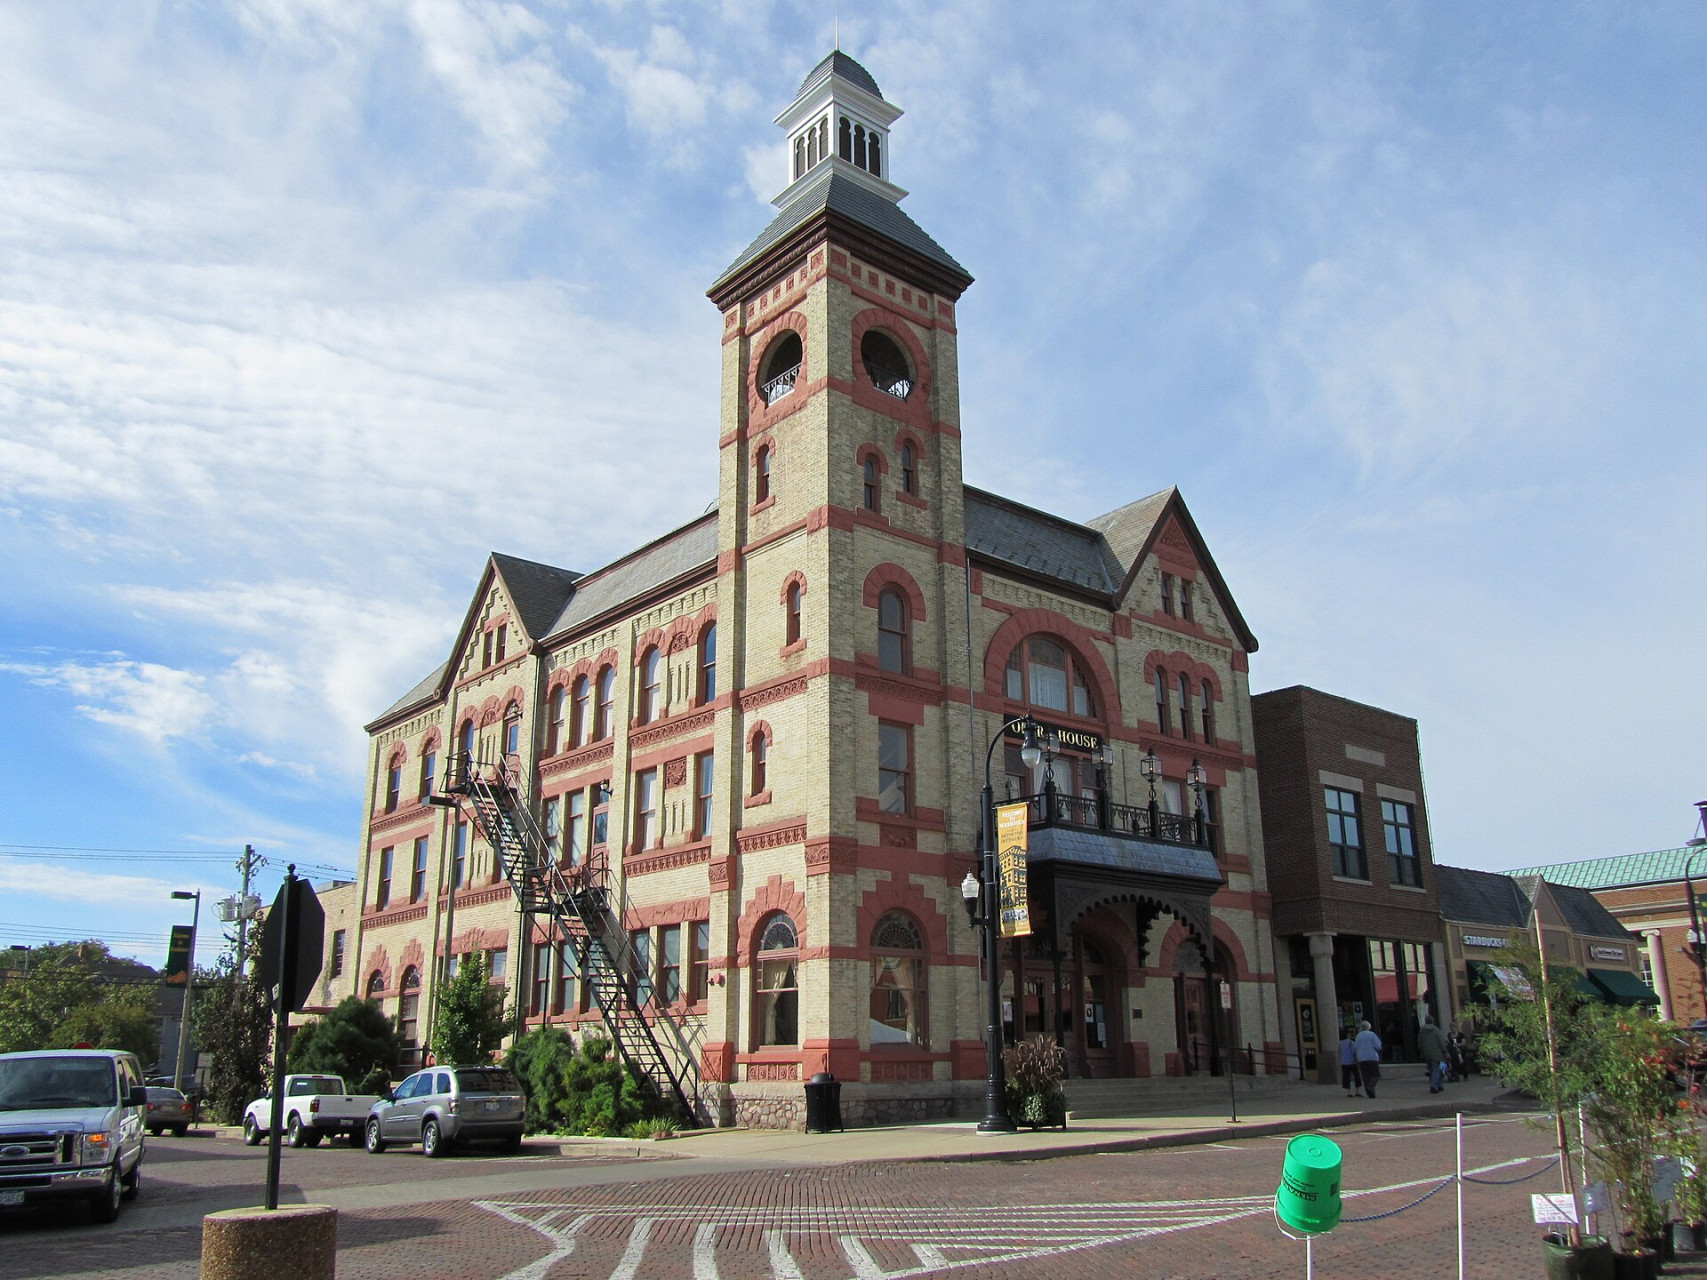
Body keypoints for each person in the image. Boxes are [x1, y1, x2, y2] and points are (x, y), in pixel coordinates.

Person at [1417, 1016, 1450, 1094]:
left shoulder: (1422, 1031)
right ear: (1433, 1021)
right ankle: (1434, 1085)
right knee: (1438, 1069)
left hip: (1427, 1053)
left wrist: (1422, 1051)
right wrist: (1445, 1052)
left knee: (1432, 1069)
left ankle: (1440, 1085)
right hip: (1437, 1053)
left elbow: (1419, 1042)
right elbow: (1441, 1042)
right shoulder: (1436, 1030)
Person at [1354, 1020, 1383, 1099]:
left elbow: (1355, 1048)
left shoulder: (1358, 1036)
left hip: (1361, 1058)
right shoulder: (1371, 1035)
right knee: (1376, 1074)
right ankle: (1371, 1087)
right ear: (1369, 1027)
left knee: (1365, 1076)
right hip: (1372, 1057)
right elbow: (1378, 1046)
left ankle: (1370, 1093)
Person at [1338, 1028, 1362, 1097]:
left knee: (1346, 1077)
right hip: (1352, 1062)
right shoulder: (1350, 1042)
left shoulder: (1340, 1043)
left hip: (1344, 1062)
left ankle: (1349, 1091)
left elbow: (1339, 1052)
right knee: (1356, 1076)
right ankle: (1357, 1090)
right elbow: (1354, 1051)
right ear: (1347, 1034)